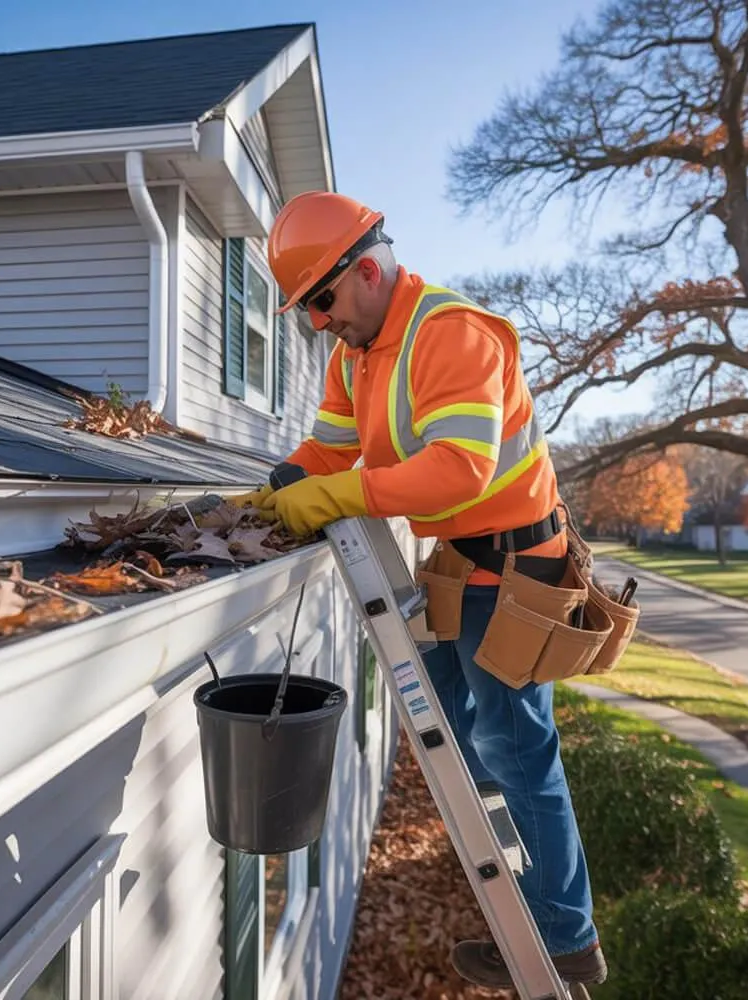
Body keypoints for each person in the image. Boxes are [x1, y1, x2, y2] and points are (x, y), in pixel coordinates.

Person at [228, 191, 607, 993]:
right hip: (460, 565)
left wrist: (338, 497)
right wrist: (275, 489)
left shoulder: (451, 334)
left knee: (516, 750)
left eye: (322, 302)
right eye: (307, 313)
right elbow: (327, 450)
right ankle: (526, 873)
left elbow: (459, 466)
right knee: (453, 731)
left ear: (365, 270)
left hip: (514, 573)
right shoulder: (356, 353)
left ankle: (565, 937)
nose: (320, 323)